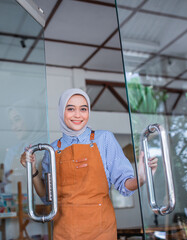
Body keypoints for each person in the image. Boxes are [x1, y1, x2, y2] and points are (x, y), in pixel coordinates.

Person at [20, 88, 158, 240]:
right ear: (61, 112)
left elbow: (123, 186)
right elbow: (47, 197)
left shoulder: (104, 139)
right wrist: (32, 170)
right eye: (70, 108)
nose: (78, 115)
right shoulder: (51, 149)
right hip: (65, 232)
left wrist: (141, 178)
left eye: (83, 109)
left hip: (101, 231)